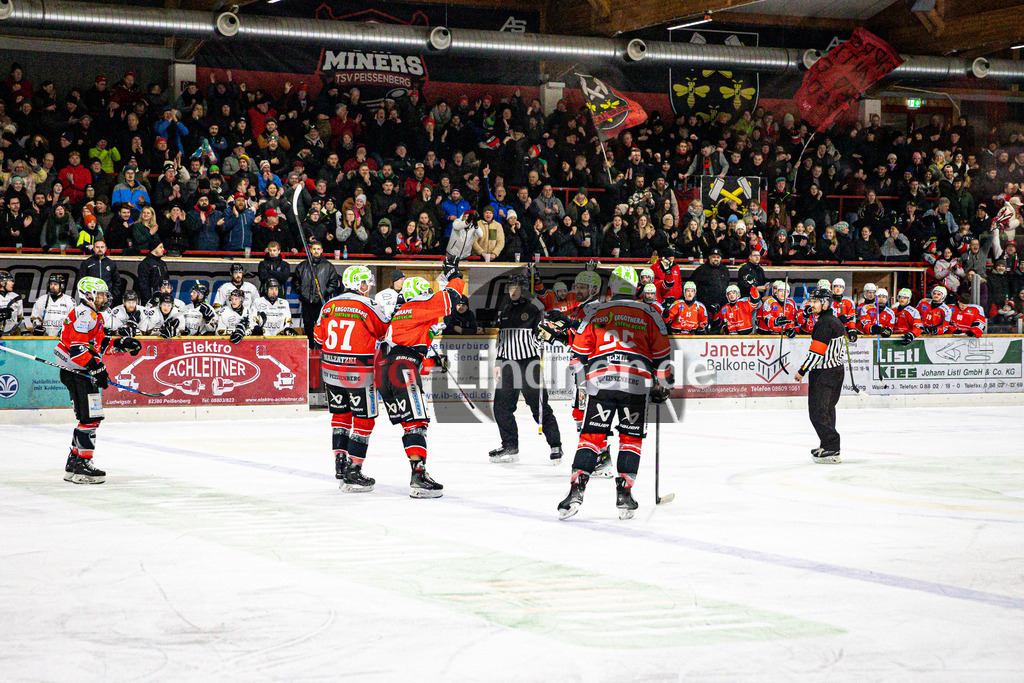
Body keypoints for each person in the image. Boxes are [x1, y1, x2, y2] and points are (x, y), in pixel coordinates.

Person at [556, 265, 672, 520]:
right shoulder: (650, 312)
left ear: (612, 287)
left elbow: (577, 356)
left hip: (602, 382)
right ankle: (624, 494)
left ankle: (575, 491)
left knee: (591, 436)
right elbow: (663, 354)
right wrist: (664, 385)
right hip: (636, 384)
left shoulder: (596, 311)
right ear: (636, 287)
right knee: (631, 440)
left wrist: (583, 383)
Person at [377, 258, 466, 498]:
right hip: (402, 370)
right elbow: (452, 297)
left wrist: (428, 358)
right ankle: (418, 476)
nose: (429, 295)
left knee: (411, 424)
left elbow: (407, 347)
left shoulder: (402, 313)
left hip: (387, 372)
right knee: (418, 423)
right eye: (426, 292)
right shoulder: (417, 306)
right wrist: (453, 274)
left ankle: (417, 471)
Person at [54, 276, 141, 484]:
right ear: (90, 295)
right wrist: (97, 367)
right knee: (91, 418)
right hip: (78, 372)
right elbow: (78, 350)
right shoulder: (85, 315)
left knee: (88, 418)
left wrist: (121, 343)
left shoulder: (92, 314)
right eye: (101, 294)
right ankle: (82, 465)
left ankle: (75, 461)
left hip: (80, 371)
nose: (105, 297)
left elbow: (97, 344)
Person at [313, 265, 389, 490]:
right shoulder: (368, 304)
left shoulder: (329, 305)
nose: (368, 286)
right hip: (358, 372)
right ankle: (354, 469)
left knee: (341, 414)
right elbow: (384, 332)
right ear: (359, 284)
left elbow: (318, 337)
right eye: (366, 282)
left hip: (331, 370)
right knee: (365, 418)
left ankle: (340, 461)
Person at [488, 271, 562, 464]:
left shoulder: (534, 309)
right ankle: (510, 446)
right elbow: (502, 339)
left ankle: (555, 445)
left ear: (523, 289)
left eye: (517, 287)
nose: (513, 291)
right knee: (501, 407)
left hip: (529, 363)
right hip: (508, 364)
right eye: (511, 287)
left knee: (539, 407)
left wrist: (542, 338)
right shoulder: (504, 310)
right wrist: (498, 361)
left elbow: (542, 336)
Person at [793, 286, 847, 465]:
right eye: (811, 301)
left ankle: (832, 446)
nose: (812, 304)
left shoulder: (824, 323)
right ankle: (827, 444)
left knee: (817, 412)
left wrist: (802, 370)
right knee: (827, 410)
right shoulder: (835, 320)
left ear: (825, 303)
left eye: (815, 301)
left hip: (824, 374)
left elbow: (817, 353)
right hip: (836, 372)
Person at [291, 238, 340, 345]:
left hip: (321, 303)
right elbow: (295, 282)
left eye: (318, 249)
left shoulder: (328, 266)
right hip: (306, 302)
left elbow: (334, 283)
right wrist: (303, 293)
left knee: (321, 325)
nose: (316, 251)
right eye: (314, 249)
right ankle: (309, 348)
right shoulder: (302, 266)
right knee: (307, 325)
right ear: (310, 250)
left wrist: (324, 293)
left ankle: (319, 348)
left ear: (322, 250)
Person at [691, 247, 730, 318]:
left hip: (722, 305)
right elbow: (693, 287)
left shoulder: (724, 269)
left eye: (718, 257)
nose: (716, 259)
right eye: (714, 257)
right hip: (705, 307)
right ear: (709, 257)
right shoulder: (700, 270)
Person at [0, 270, 25, 335]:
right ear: (2, 283)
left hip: (12, 337)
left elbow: (20, 319)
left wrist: (24, 332)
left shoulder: (16, 298)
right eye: (10, 281)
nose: (12, 283)